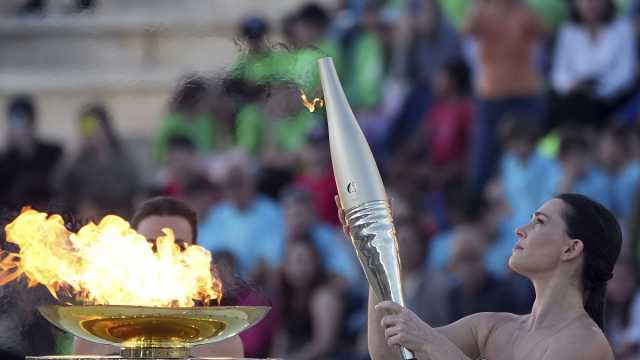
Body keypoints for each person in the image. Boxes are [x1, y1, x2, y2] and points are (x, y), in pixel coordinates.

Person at [338, 193, 622, 359]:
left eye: (540, 222)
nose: (520, 229)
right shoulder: (492, 326)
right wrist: (376, 252)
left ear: (571, 248)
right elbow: (389, 354)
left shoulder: (586, 343)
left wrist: (430, 342)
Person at [73, 197, 244, 357]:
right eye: (152, 246)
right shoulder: (94, 337)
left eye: (178, 247)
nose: (165, 257)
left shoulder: (222, 342)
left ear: (197, 255)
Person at [550, 0, 636, 129]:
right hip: (575, 96)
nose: (591, 4)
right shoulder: (568, 31)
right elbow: (559, 73)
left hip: (612, 97)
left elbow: (625, 73)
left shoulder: (622, 28)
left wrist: (598, 90)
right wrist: (572, 86)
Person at [270, 235, 345, 359]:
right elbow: (281, 337)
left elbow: (324, 344)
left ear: (316, 262)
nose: (298, 267)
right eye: (291, 260)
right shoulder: (287, 294)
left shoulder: (325, 296)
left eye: (303, 260)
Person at [0, 95, 63, 207]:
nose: (20, 127)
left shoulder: (51, 153)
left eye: (24, 120)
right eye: (15, 122)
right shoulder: (6, 160)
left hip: (47, 213)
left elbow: (58, 185)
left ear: (32, 121)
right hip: (15, 218)